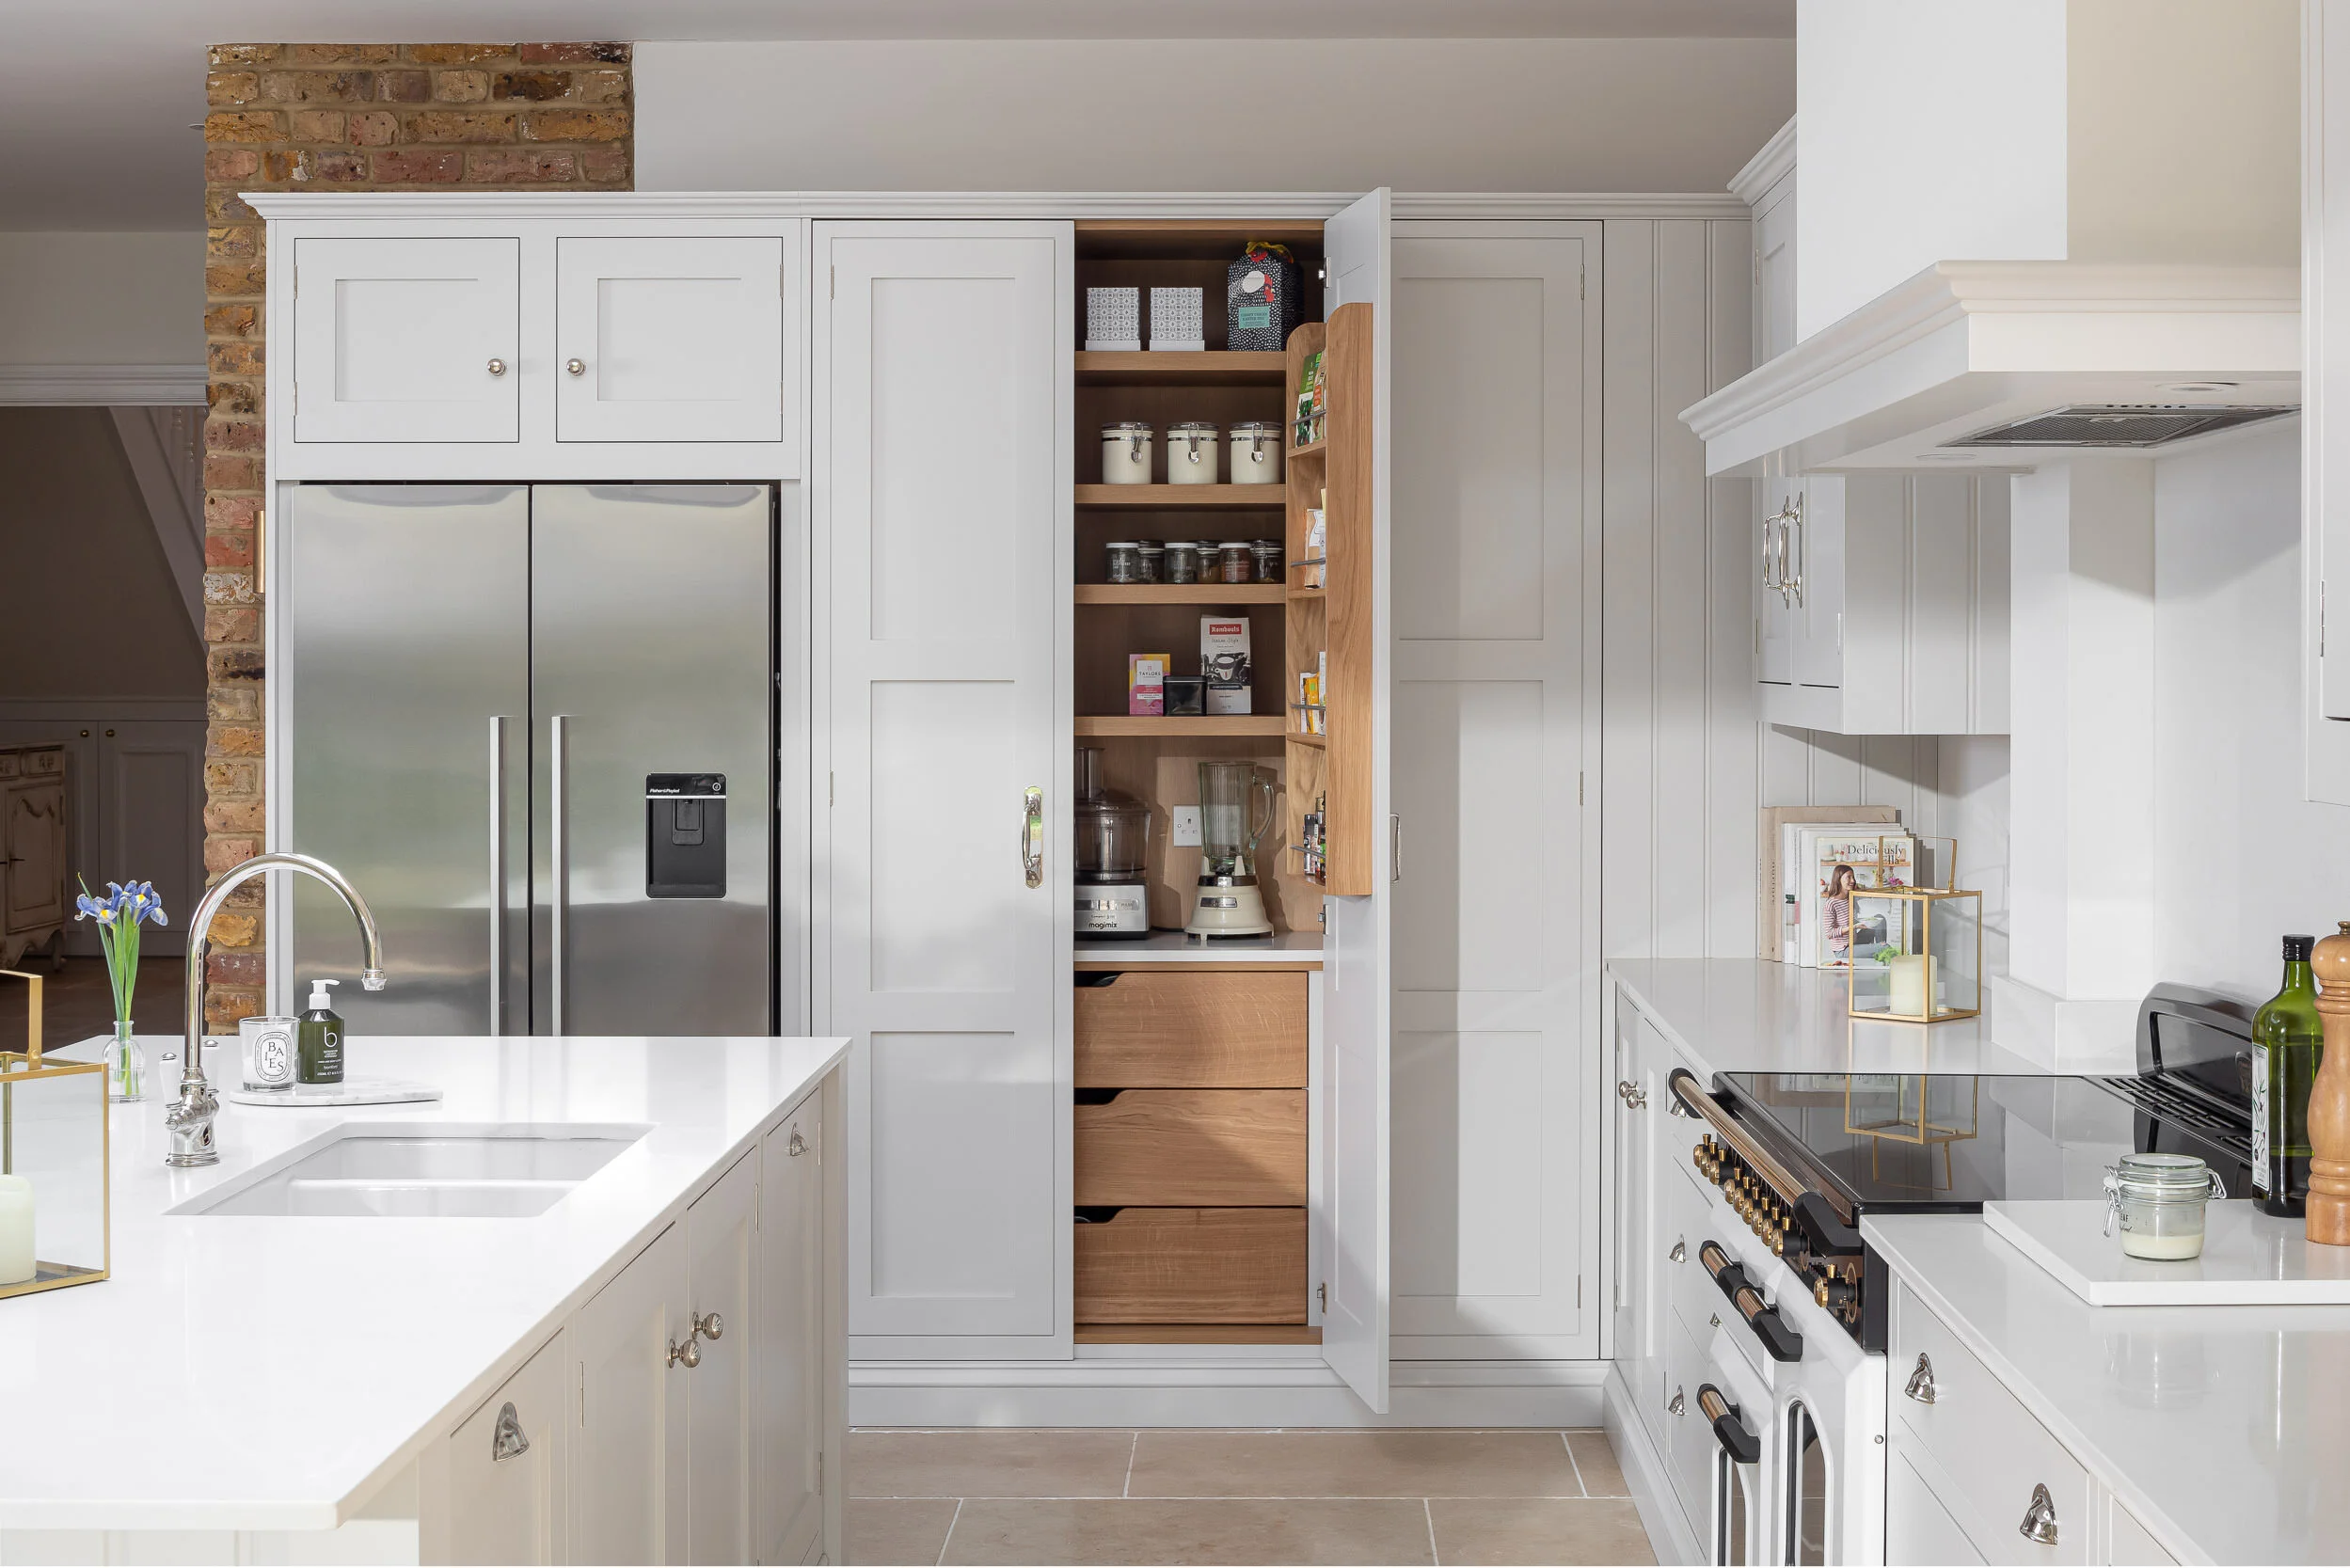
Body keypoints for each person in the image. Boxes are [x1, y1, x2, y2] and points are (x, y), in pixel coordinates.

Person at [1823, 863, 1857, 964]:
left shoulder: (1849, 898)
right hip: (1843, 950)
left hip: (1854, 941)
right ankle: (1880, 950)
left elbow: (1850, 920)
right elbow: (1829, 933)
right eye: (1849, 877)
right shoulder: (1831, 903)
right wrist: (1853, 927)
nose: (1853, 881)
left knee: (1880, 918)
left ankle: (1879, 957)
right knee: (1883, 947)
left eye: (1853, 877)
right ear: (1839, 880)